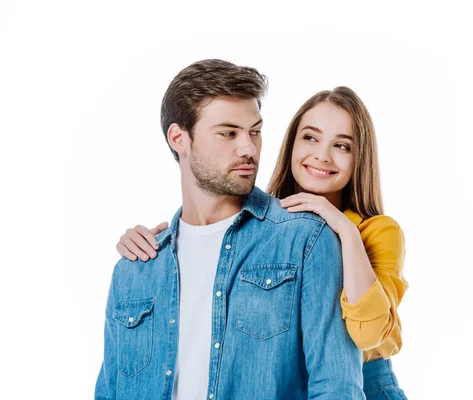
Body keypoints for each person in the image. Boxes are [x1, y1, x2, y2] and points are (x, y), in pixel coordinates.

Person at [95, 59, 365, 400]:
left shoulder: (305, 240)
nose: (248, 149)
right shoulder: (133, 270)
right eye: (228, 133)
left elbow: (338, 389)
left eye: (255, 131)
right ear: (179, 138)